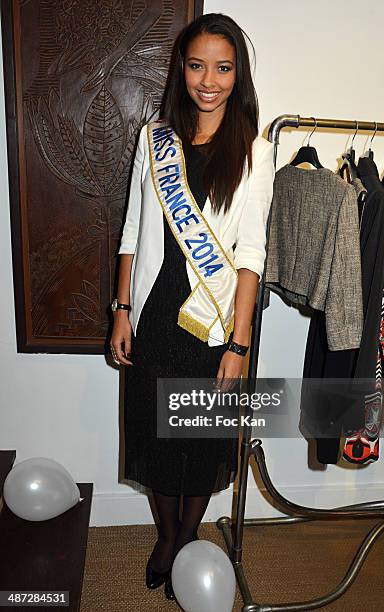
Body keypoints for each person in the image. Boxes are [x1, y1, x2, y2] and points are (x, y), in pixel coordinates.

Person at [109, 12, 274, 601]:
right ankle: (166, 538)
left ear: (239, 75)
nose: (210, 80)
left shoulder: (255, 153)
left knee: (201, 439)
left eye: (223, 67)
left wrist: (240, 341)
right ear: (181, 69)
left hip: (213, 322)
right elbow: (131, 231)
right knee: (156, 433)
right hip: (154, 314)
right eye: (198, 65)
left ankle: (187, 533)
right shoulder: (153, 141)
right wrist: (121, 310)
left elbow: (252, 253)